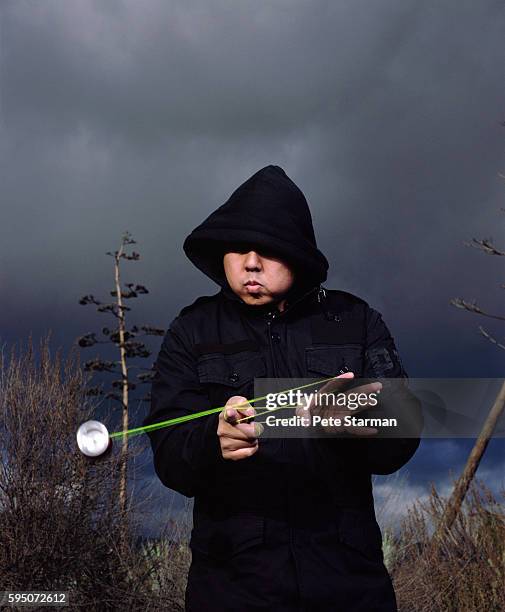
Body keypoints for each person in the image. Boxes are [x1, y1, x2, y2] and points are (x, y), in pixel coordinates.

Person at [144, 165, 423, 612]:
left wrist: (353, 421)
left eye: (268, 248)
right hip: (232, 589)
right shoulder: (191, 329)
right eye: (238, 248)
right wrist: (213, 440)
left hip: (348, 586)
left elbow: (405, 432)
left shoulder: (356, 321)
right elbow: (168, 452)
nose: (250, 262)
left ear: (297, 253)